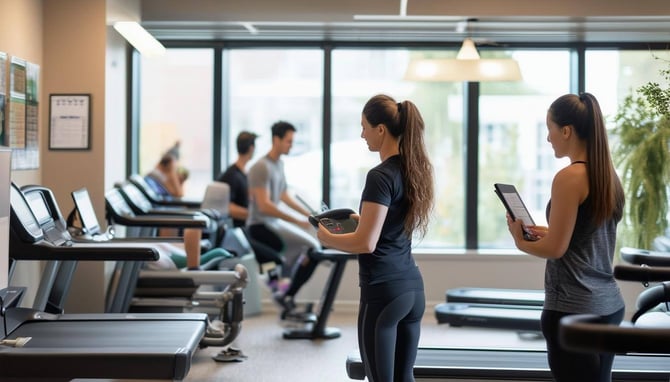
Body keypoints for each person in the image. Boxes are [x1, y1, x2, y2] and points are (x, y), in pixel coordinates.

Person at [505, 93, 625, 382]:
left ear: (567, 131)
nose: (548, 138)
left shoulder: (569, 177)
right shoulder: (607, 174)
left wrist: (520, 240)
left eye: (550, 129)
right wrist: (542, 231)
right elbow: (582, 235)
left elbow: (557, 248)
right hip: (608, 305)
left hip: (573, 309)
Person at [316, 94, 434, 382]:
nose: (361, 134)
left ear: (381, 129)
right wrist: (361, 221)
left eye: (364, 127)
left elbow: (364, 244)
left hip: (383, 293)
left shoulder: (379, 176)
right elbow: (389, 225)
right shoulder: (415, 170)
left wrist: (326, 237)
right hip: (412, 290)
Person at [246, 121, 322, 319]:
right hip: (260, 225)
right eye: (288, 141)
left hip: (274, 223)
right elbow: (264, 205)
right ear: (276, 140)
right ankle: (284, 293)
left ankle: (284, 294)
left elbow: (283, 196)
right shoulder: (260, 167)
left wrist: (308, 214)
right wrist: (296, 220)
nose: (291, 145)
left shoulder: (278, 164)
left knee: (304, 251)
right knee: (311, 247)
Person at [217, 131, 284, 290]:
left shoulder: (243, 174)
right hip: (235, 233)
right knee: (272, 258)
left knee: (275, 249)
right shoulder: (232, 175)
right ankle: (276, 291)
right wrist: (251, 213)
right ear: (251, 148)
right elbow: (228, 207)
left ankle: (276, 290)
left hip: (247, 229)